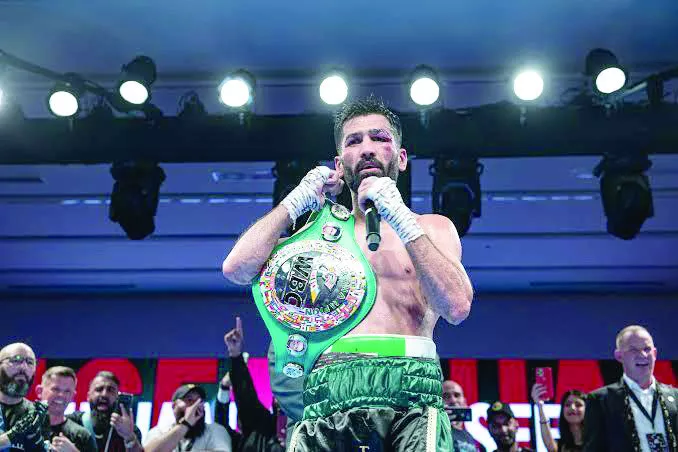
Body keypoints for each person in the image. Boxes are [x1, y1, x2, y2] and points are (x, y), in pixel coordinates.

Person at [222, 95, 474, 451]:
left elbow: (457, 307)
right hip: (328, 389)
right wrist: (296, 201)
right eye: (354, 141)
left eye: (380, 138)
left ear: (401, 158)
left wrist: (401, 218)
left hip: (411, 390)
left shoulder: (432, 228)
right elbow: (236, 268)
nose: (367, 148)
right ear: (339, 165)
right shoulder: (315, 236)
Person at [583, 325, 678, 452]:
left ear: (655, 353)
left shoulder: (675, 396)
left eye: (647, 349)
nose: (642, 354)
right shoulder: (601, 400)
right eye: (633, 350)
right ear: (619, 356)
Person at [213, 317, 286, 452]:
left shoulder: (311, 430)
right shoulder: (261, 427)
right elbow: (246, 396)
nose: (284, 396)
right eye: (280, 391)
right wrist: (235, 355)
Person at [143, 384, 232, 452]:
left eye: (199, 401)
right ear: (174, 406)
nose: (195, 406)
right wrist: (186, 424)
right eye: (189, 400)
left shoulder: (215, 431)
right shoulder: (159, 432)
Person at [67, 371, 142, 452]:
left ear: (117, 397)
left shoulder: (129, 430)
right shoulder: (72, 422)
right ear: (88, 396)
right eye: (99, 389)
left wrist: (128, 436)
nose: (104, 394)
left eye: (110, 390)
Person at [0, 342, 49, 452]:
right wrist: (11, 437)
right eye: (16, 360)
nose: (23, 367)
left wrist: (38, 445)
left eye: (30, 362)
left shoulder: (37, 416)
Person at [36, 366, 97, 452]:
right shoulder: (23, 427)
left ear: (73, 396)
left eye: (67, 391)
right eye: (55, 389)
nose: (61, 395)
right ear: (39, 391)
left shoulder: (82, 436)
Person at [531, 384, 585, 452]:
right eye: (568, 405)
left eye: (578, 405)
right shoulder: (561, 446)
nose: (572, 408)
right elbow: (551, 446)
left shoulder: (595, 442)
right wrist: (540, 406)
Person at [442, 380, 485, 451]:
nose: (453, 400)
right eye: (446, 396)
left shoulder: (472, 438)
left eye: (457, 395)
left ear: (465, 402)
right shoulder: (434, 433)